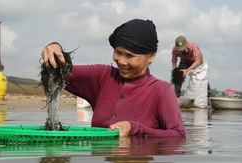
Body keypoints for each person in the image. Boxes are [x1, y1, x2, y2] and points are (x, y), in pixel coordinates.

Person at [41, 19, 186, 137]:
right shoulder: (103, 76)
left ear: (151, 57)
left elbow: (178, 135)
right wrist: (54, 48)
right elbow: (56, 72)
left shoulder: (161, 90)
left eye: (130, 56)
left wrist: (135, 129)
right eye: (118, 52)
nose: (122, 61)